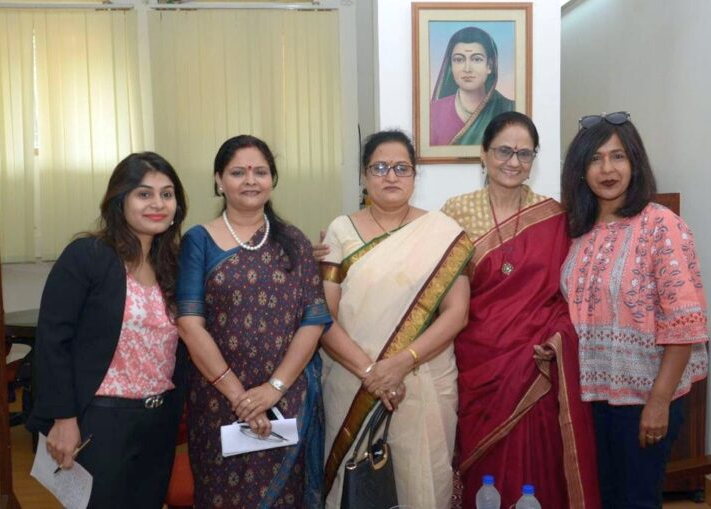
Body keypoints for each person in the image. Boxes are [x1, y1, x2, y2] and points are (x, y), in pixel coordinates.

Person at [440, 111, 601, 508]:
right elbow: (432, 285)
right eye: (504, 151)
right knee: (483, 467)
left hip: (534, 363)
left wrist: (556, 338)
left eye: (524, 154)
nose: (513, 162)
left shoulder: (554, 216)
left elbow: (565, 295)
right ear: (483, 154)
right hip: (478, 362)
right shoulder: (455, 213)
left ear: (533, 159)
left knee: (537, 466)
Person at [560, 112, 709, 508]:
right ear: (580, 170)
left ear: (635, 162)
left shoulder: (662, 225)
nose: (607, 169)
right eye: (595, 159)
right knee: (600, 498)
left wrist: (658, 402)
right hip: (589, 396)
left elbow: (684, 325)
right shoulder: (575, 231)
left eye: (618, 156)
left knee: (636, 500)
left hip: (645, 397)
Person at [318, 130, 473, 509]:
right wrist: (372, 373)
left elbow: (457, 313)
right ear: (363, 175)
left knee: (421, 483)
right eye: (380, 167)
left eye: (402, 168)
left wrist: (401, 363)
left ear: (415, 175)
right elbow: (324, 316)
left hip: (423, 379)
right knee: (354, 488)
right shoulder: (340, 230)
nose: (391, 176)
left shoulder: (442, 233)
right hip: (353, 380)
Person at [176, 135, 332, 508]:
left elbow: (313, 320)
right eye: (238, 172)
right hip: (218, 401)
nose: (250, 180)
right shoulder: (198, 241)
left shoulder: (293, 241)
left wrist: (273, 390)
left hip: (287, 399)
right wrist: (241, 398)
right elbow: (189, 325)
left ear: (272, 180)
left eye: (260, 172)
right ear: (219, 180)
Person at [27, 152, 188, 508]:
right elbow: (52, 341)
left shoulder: (174, 266)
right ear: (120, 200)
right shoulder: (88, 256)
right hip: (101, 420)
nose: (157, 203)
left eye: (167, 194)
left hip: (159, 420)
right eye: (144, 194)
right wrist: (63, 418)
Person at [430, 26, 514, 147]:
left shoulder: (509, 109)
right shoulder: (432, 112)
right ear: (451, 66)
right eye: (459, 60)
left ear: (489, 66)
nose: (467, 69)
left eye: (476, 59)